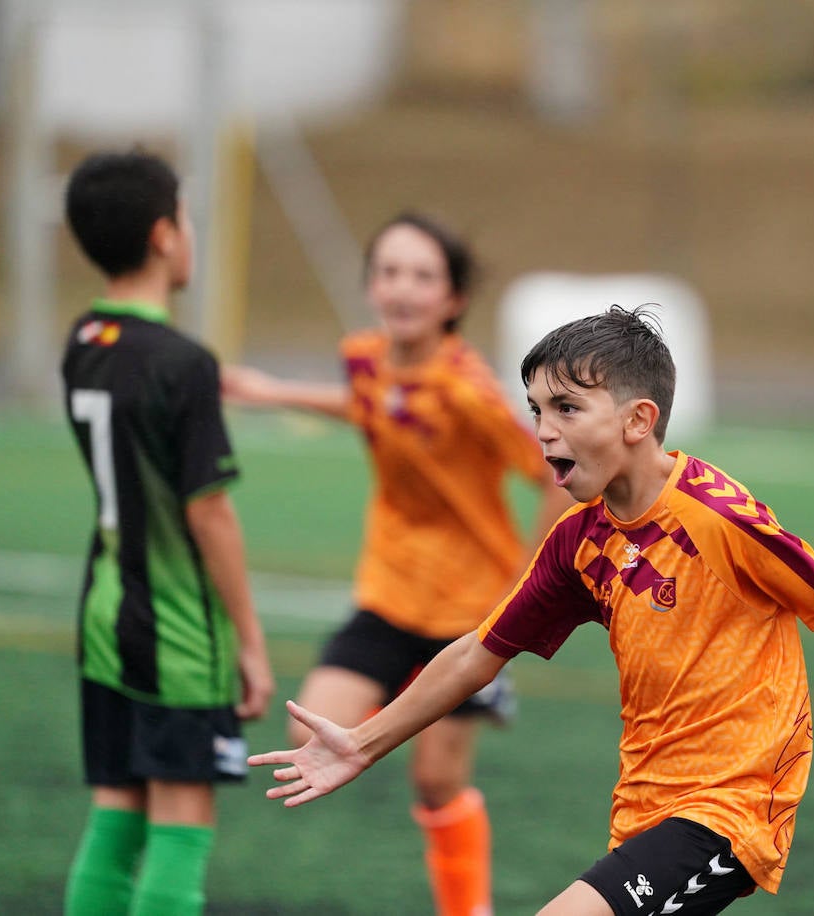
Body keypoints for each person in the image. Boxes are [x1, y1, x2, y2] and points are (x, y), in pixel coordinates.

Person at [249, 305, 814, 915]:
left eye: (564, 409)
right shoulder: (579, 541)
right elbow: (481, 651)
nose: (542, 433)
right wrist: (363, 742)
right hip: (646, 805)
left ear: (639, 419)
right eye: (535, 410)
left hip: (734, 808)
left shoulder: (722, 516)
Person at [222, 211, 571, 916]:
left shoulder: (469, 391)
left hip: (469, 614)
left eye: (422, 275)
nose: (402, 288)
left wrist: (532, 584)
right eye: (388, 272)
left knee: (436, 784)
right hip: (387, 592)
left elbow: (554, 472)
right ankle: (418, 699)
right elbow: (372, 403)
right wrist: (271, 391)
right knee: (308, 729)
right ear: (371, 286)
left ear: (453, 300)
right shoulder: (366, 357)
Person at [60, 149, 276, 916]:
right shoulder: (181, 362)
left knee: (117, 812)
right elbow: (209, 511)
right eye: (186, 215)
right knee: (183, 820)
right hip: (178, 627)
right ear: (163, 234)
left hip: (104, 616)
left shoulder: (84, 340)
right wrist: (250, 640)